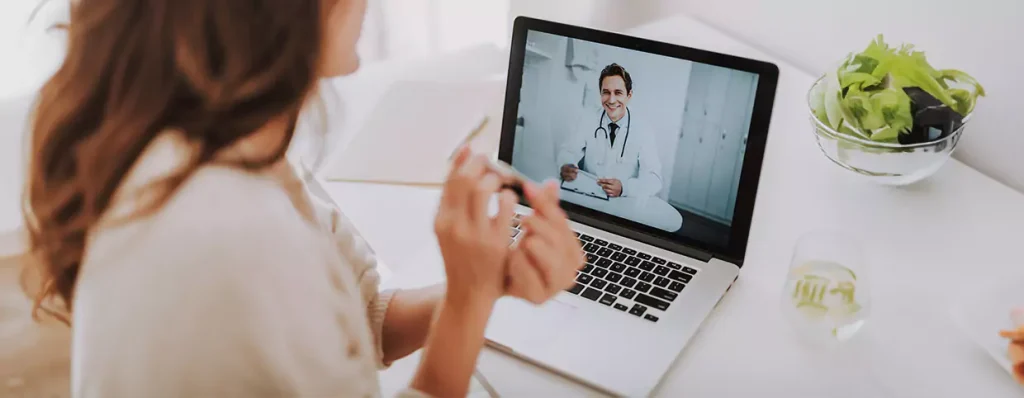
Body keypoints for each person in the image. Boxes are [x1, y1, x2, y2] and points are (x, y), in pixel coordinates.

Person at [20, 0, 583, 397]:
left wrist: (488, 281)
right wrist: (468, 302)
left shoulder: (212, 146)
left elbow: (361, 319)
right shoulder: (232, 233)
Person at [557, 63, 663, 198]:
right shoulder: (588, 118)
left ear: (629, 95)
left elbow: (655, 179)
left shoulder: (643, 129)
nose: (611, 100)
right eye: (606, 92)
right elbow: (568, 151)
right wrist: (567, 165)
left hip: (624, 203)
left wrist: (625, 188)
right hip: (589, 195)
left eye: (618, 93)